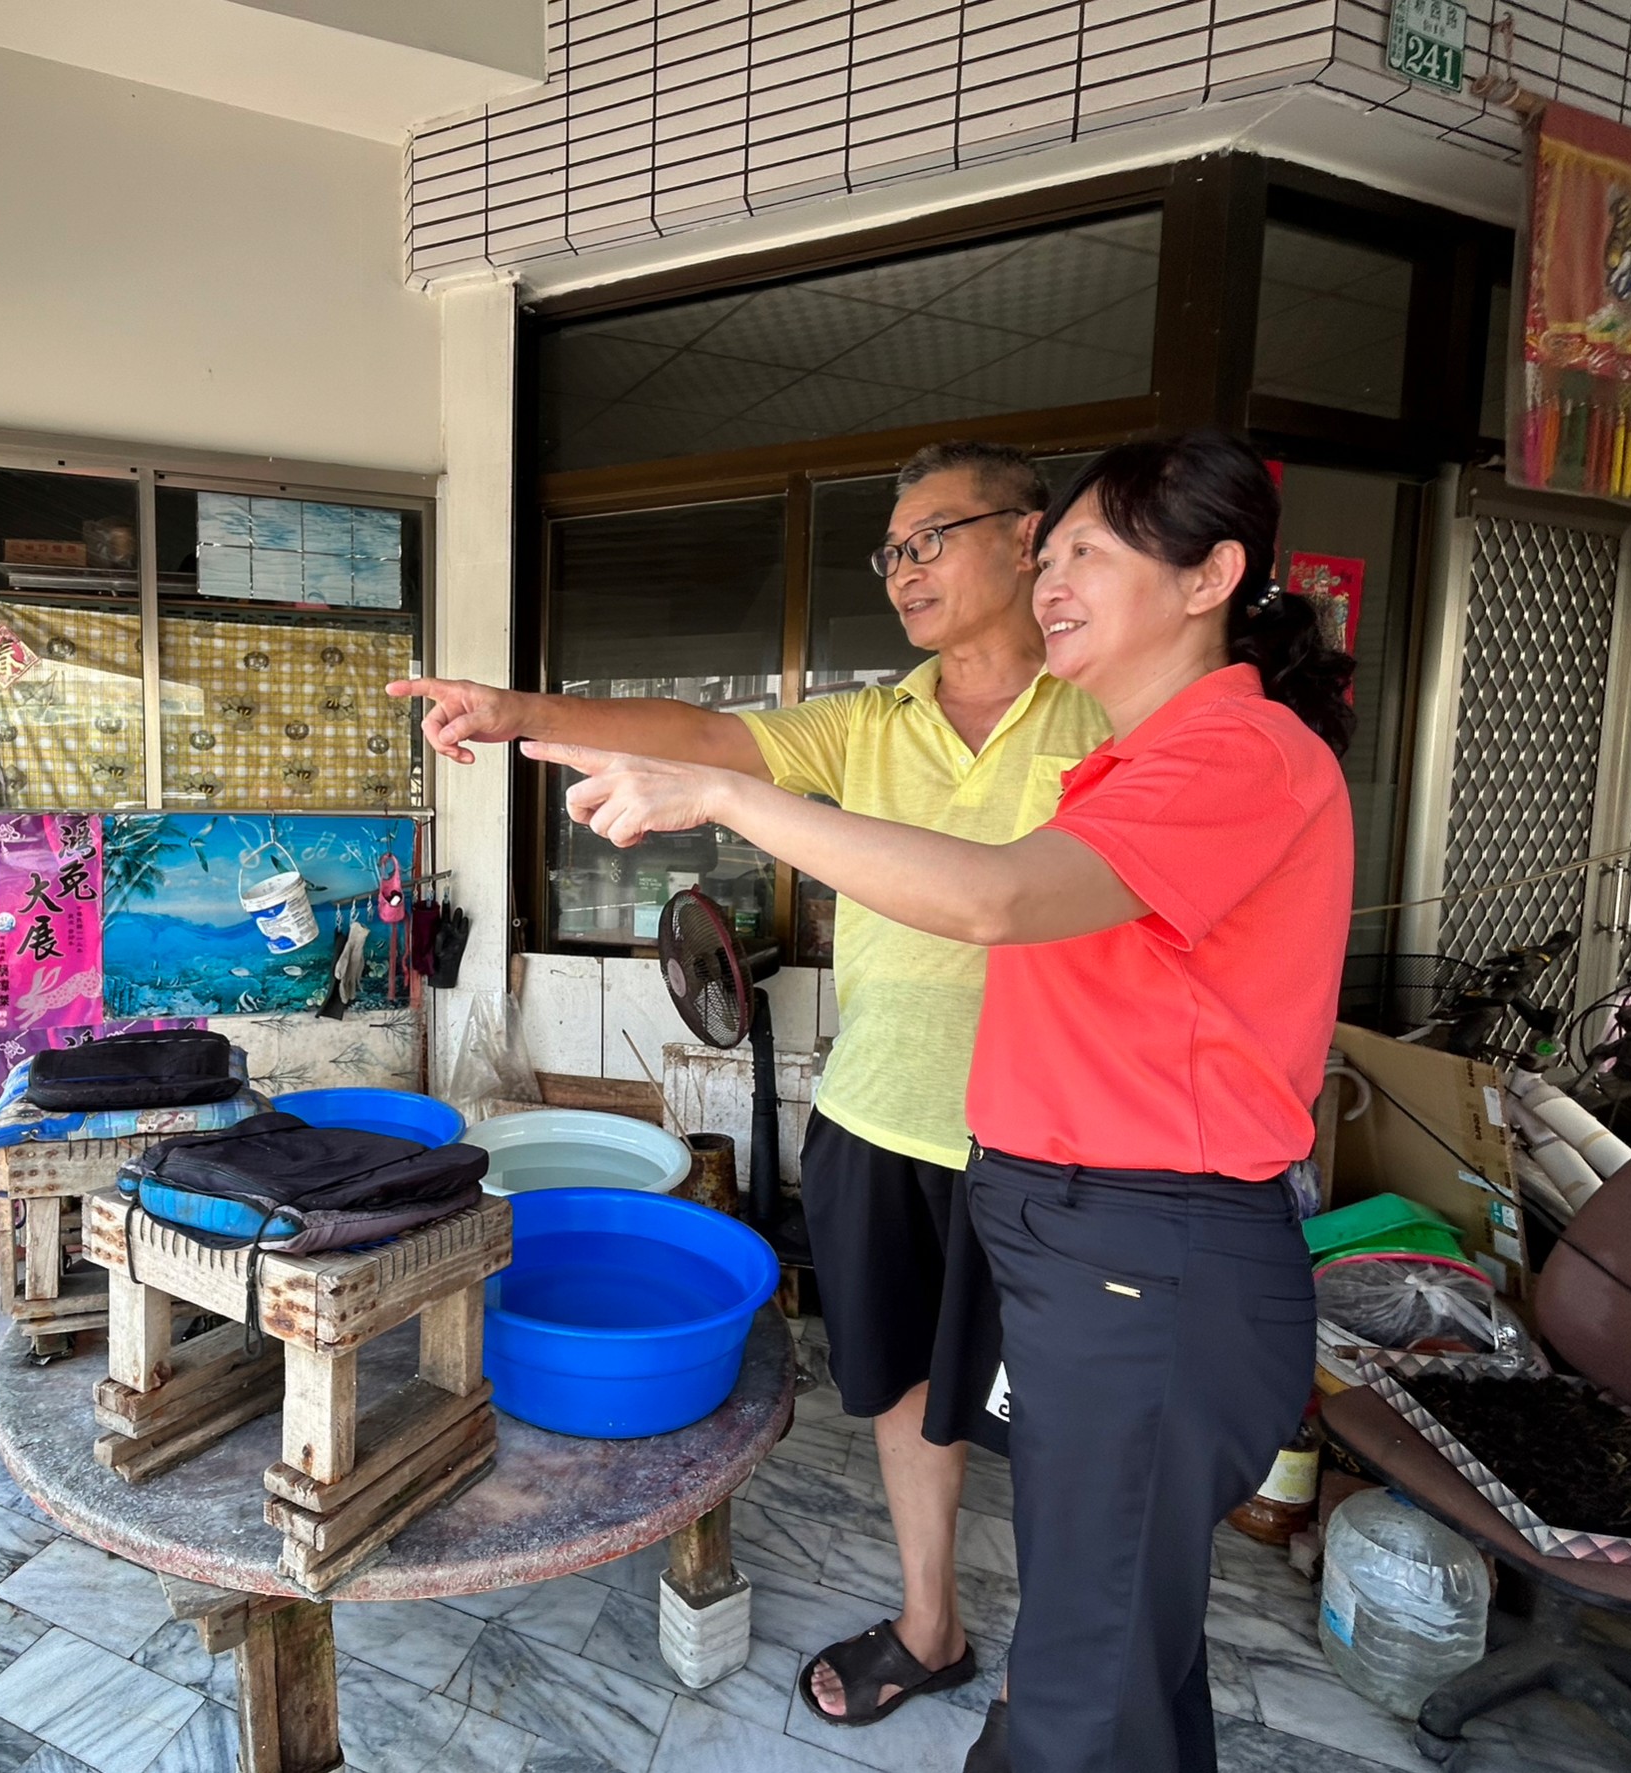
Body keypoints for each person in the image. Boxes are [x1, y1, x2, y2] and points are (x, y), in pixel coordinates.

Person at [526, 430, 1353, 1773]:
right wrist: (538, 719)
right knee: (1109, 1643)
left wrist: (731, 798)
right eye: (1060, 551)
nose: (1056, 581)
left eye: (1088, 551)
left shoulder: (1234, 754)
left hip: (1150, 1247)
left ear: (1212, 577)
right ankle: (980, 1661)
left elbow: (995, 897)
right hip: (1079, 1229)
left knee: (1093, 1670)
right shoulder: (1142, 757)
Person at [389, 442, 1110, 1726]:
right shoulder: (867, 722)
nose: (904, 571)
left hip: (1062, 1140)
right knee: (898, 1387)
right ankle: (932, 1624)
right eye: (891, 551)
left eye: (933, 537)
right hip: (882, 1113)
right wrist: (516, 713)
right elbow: (707, 738)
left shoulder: (1112, 709)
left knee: (1068, 1421)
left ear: (1030, 539)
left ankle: (1067, 1677)